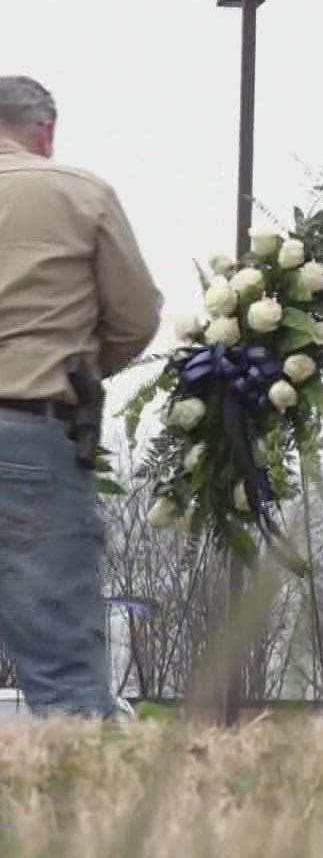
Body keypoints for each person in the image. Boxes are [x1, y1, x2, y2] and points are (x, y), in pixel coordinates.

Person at [0, 76, 162, 717]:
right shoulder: (81, 193)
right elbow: (135, 316)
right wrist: (81, 370)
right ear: (44, 132)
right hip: (31, 434)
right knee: (63, 671)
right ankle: (80, 815)